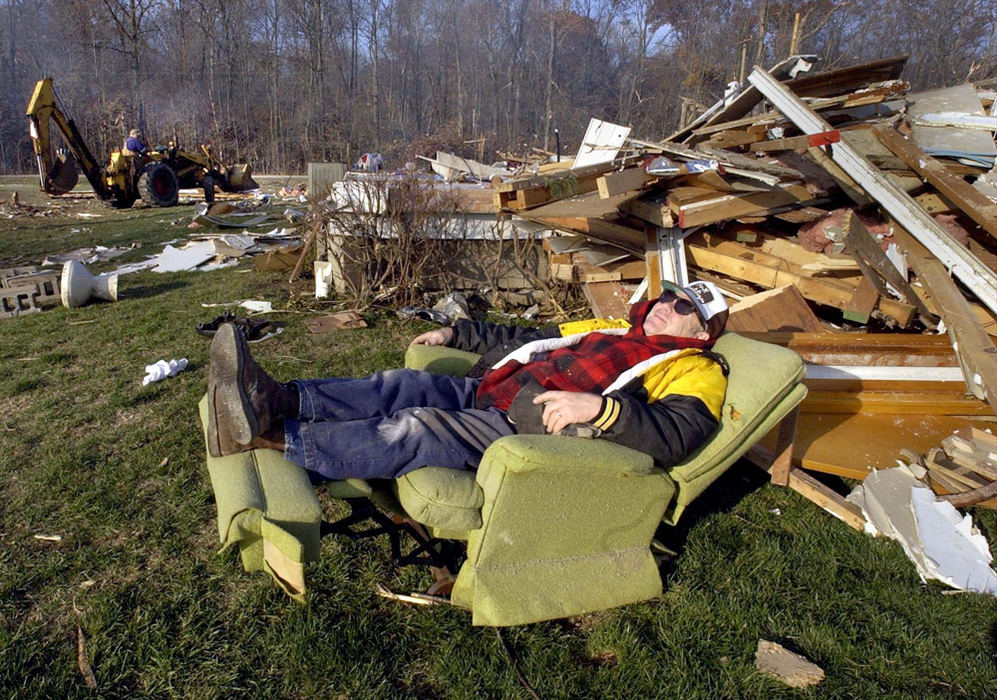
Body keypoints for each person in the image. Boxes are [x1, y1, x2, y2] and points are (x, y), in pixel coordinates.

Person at [205, 280, 731, 483]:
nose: (667, 306)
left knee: (414, 427)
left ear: (702, 328)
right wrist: (460, 330)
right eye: (668, 296)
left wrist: (597, 409)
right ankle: (275, 398)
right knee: (396, 384)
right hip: (489, 389)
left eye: (684, 306)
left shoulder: (696, 370)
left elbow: (678, 433)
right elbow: (532, 335)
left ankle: (275, 440)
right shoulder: (613, 326)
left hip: (523, 427)